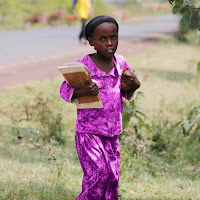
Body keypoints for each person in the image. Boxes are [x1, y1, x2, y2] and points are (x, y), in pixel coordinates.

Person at [60, 15, 140, 199]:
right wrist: (83, 91)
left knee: (112, 177)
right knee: (98, 175)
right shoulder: (82, 65)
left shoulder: (120, 63)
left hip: (112, 133)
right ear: (91, 42)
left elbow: (125, 92)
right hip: (89, 133)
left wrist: (135, 84)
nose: (109, 43)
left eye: (114, 37)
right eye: (102, 39)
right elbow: (65, 91)